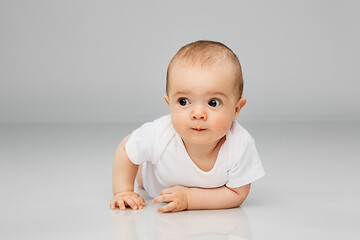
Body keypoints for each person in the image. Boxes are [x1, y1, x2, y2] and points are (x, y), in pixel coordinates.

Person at [110, 40, 265, 213]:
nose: (198, 113)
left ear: (236, 109)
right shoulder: (159, 134)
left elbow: (237, 193)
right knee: (140, 166)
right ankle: (143, 171)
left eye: (213, 102)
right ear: (169, 104)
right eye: (184, 101)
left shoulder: (240, 144)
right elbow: (126, 148)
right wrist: (123, 191)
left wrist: (190, 199)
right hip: (153, 179)